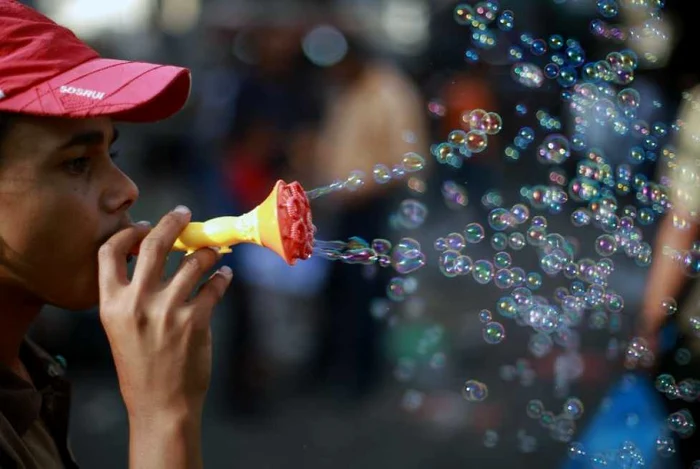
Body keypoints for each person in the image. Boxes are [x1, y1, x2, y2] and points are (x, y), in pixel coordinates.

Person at [0, 2, 232, 468]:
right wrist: (163, 416)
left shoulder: (25, 367)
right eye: (77, 162)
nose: (127, 190)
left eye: (112, 151)